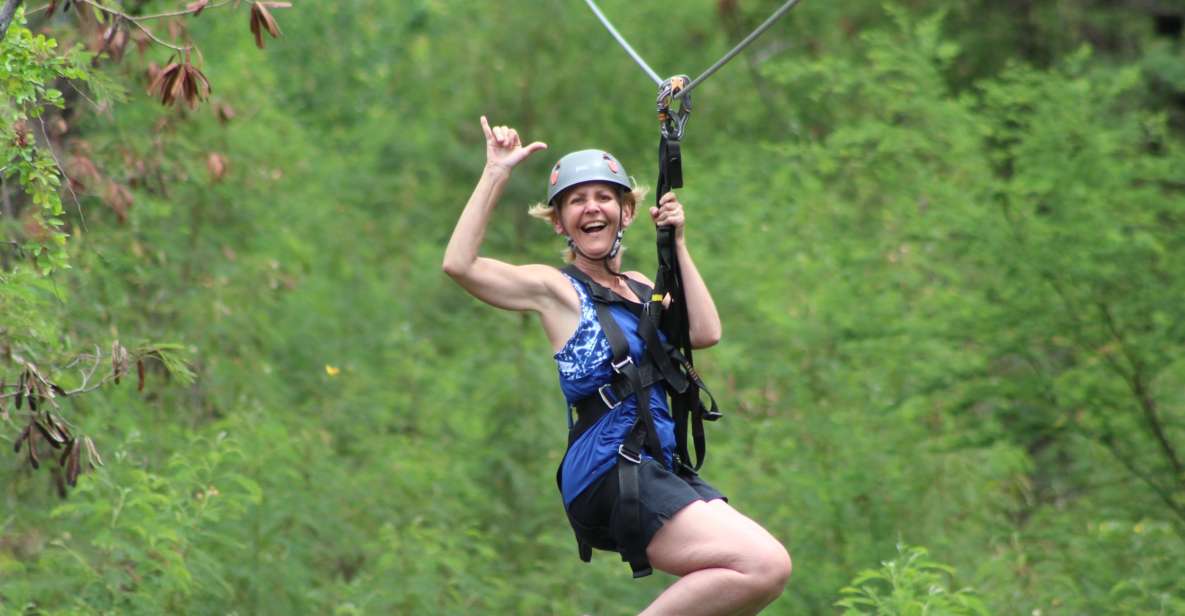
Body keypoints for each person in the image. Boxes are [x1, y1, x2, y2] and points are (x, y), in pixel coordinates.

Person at [443, 116, 791, 616]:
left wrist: (678, 242)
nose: (592, 208)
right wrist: (496, 171)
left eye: (604, 198)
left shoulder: (641, 287)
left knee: (757, 578)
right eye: (576, 201)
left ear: (626, 211)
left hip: (655, 466)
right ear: (560, 222)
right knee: (761, 564)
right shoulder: (557, 290)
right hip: (607, 470)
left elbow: (704, 332)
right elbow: (460, 265)